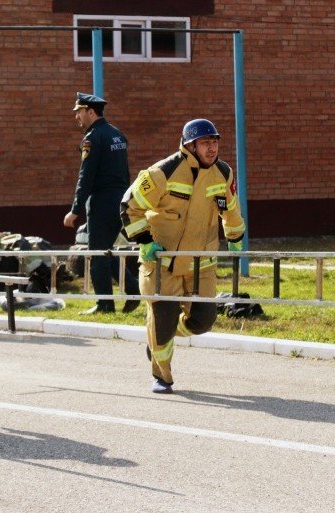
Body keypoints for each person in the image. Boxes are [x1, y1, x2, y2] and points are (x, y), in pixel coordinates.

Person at [120, 119, 246, 394]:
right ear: (190, 146)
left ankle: (156, 337)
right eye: (205, 143)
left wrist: (236, 240)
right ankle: (162, 376)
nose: (212, 149)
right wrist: (145, 242)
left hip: (202, 265)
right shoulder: (163, 172)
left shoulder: (223, 173)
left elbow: (231, 211)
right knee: (163, 321)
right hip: (161, 264)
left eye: (215, 142)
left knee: (203, 322)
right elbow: (129, 206)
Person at [63, 92, 140, 315]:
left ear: (90, 111)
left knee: (96, 254)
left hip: (101, 202)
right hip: (120, 200)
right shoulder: (117, 135)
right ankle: (133, 287)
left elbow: (85, 177)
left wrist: (75, 210)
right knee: (106, 250)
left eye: (79, 111)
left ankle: (105, 304)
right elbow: (125, 172)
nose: (77, 116)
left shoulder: (92, 138)